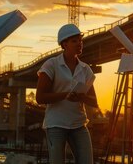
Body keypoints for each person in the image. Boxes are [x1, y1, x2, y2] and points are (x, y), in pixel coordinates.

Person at [36, 24, 99, 164]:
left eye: (80, 40)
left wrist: (81, 97)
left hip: (78, 124)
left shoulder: (85, 69)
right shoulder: (51, 65)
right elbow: (39, 97)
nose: (79, 44)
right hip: (56, 124)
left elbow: (94, 102)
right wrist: (66, 95)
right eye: (74, 41)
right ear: (64, 44)